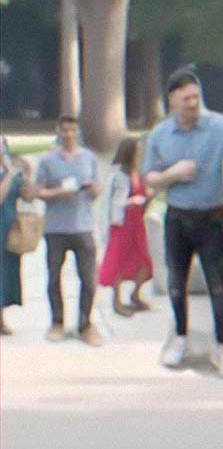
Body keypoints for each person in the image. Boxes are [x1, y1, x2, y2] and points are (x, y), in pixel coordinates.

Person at [143, 68, 223, 378]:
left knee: (217, 287)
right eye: (186, 99)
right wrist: (173, 174)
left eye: (196, 97)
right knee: (176, 283)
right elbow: (149, 180)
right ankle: (179, 338)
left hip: (211, 218)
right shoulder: (160, 135)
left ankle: (222, 348)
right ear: (172, 101)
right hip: (178, 218)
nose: (193, 103)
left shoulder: (217, 126)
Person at [33, 116, 102, 346]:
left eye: (72, 130)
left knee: (89, 279)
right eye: (64, 130)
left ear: (77, 132)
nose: (69, 134)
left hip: (83, 226)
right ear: (59, 133)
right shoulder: (48, 159)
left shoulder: (88, 158)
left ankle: (85, 323)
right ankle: (57, 321)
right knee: (54, 277)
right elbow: (38, 191)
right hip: (56, 228)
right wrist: (57, 193)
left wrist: (92, 189)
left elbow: (96, 191)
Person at [98, 137, 154, 317]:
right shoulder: (118, 175)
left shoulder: (136, 174)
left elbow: (144, 198)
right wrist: (132, 201)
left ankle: (135, 294)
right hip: (122, 224)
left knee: (143, 261)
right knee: (118, 261)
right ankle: (116, 301)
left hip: (137, 224)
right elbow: (114, 202)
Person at [0, 136, 36, 335]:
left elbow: (29, 196)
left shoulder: (10, 172)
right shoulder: (8, 174)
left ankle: (1, 318)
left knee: (6, 272)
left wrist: (26, 176)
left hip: (9, 227)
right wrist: (10, 173)